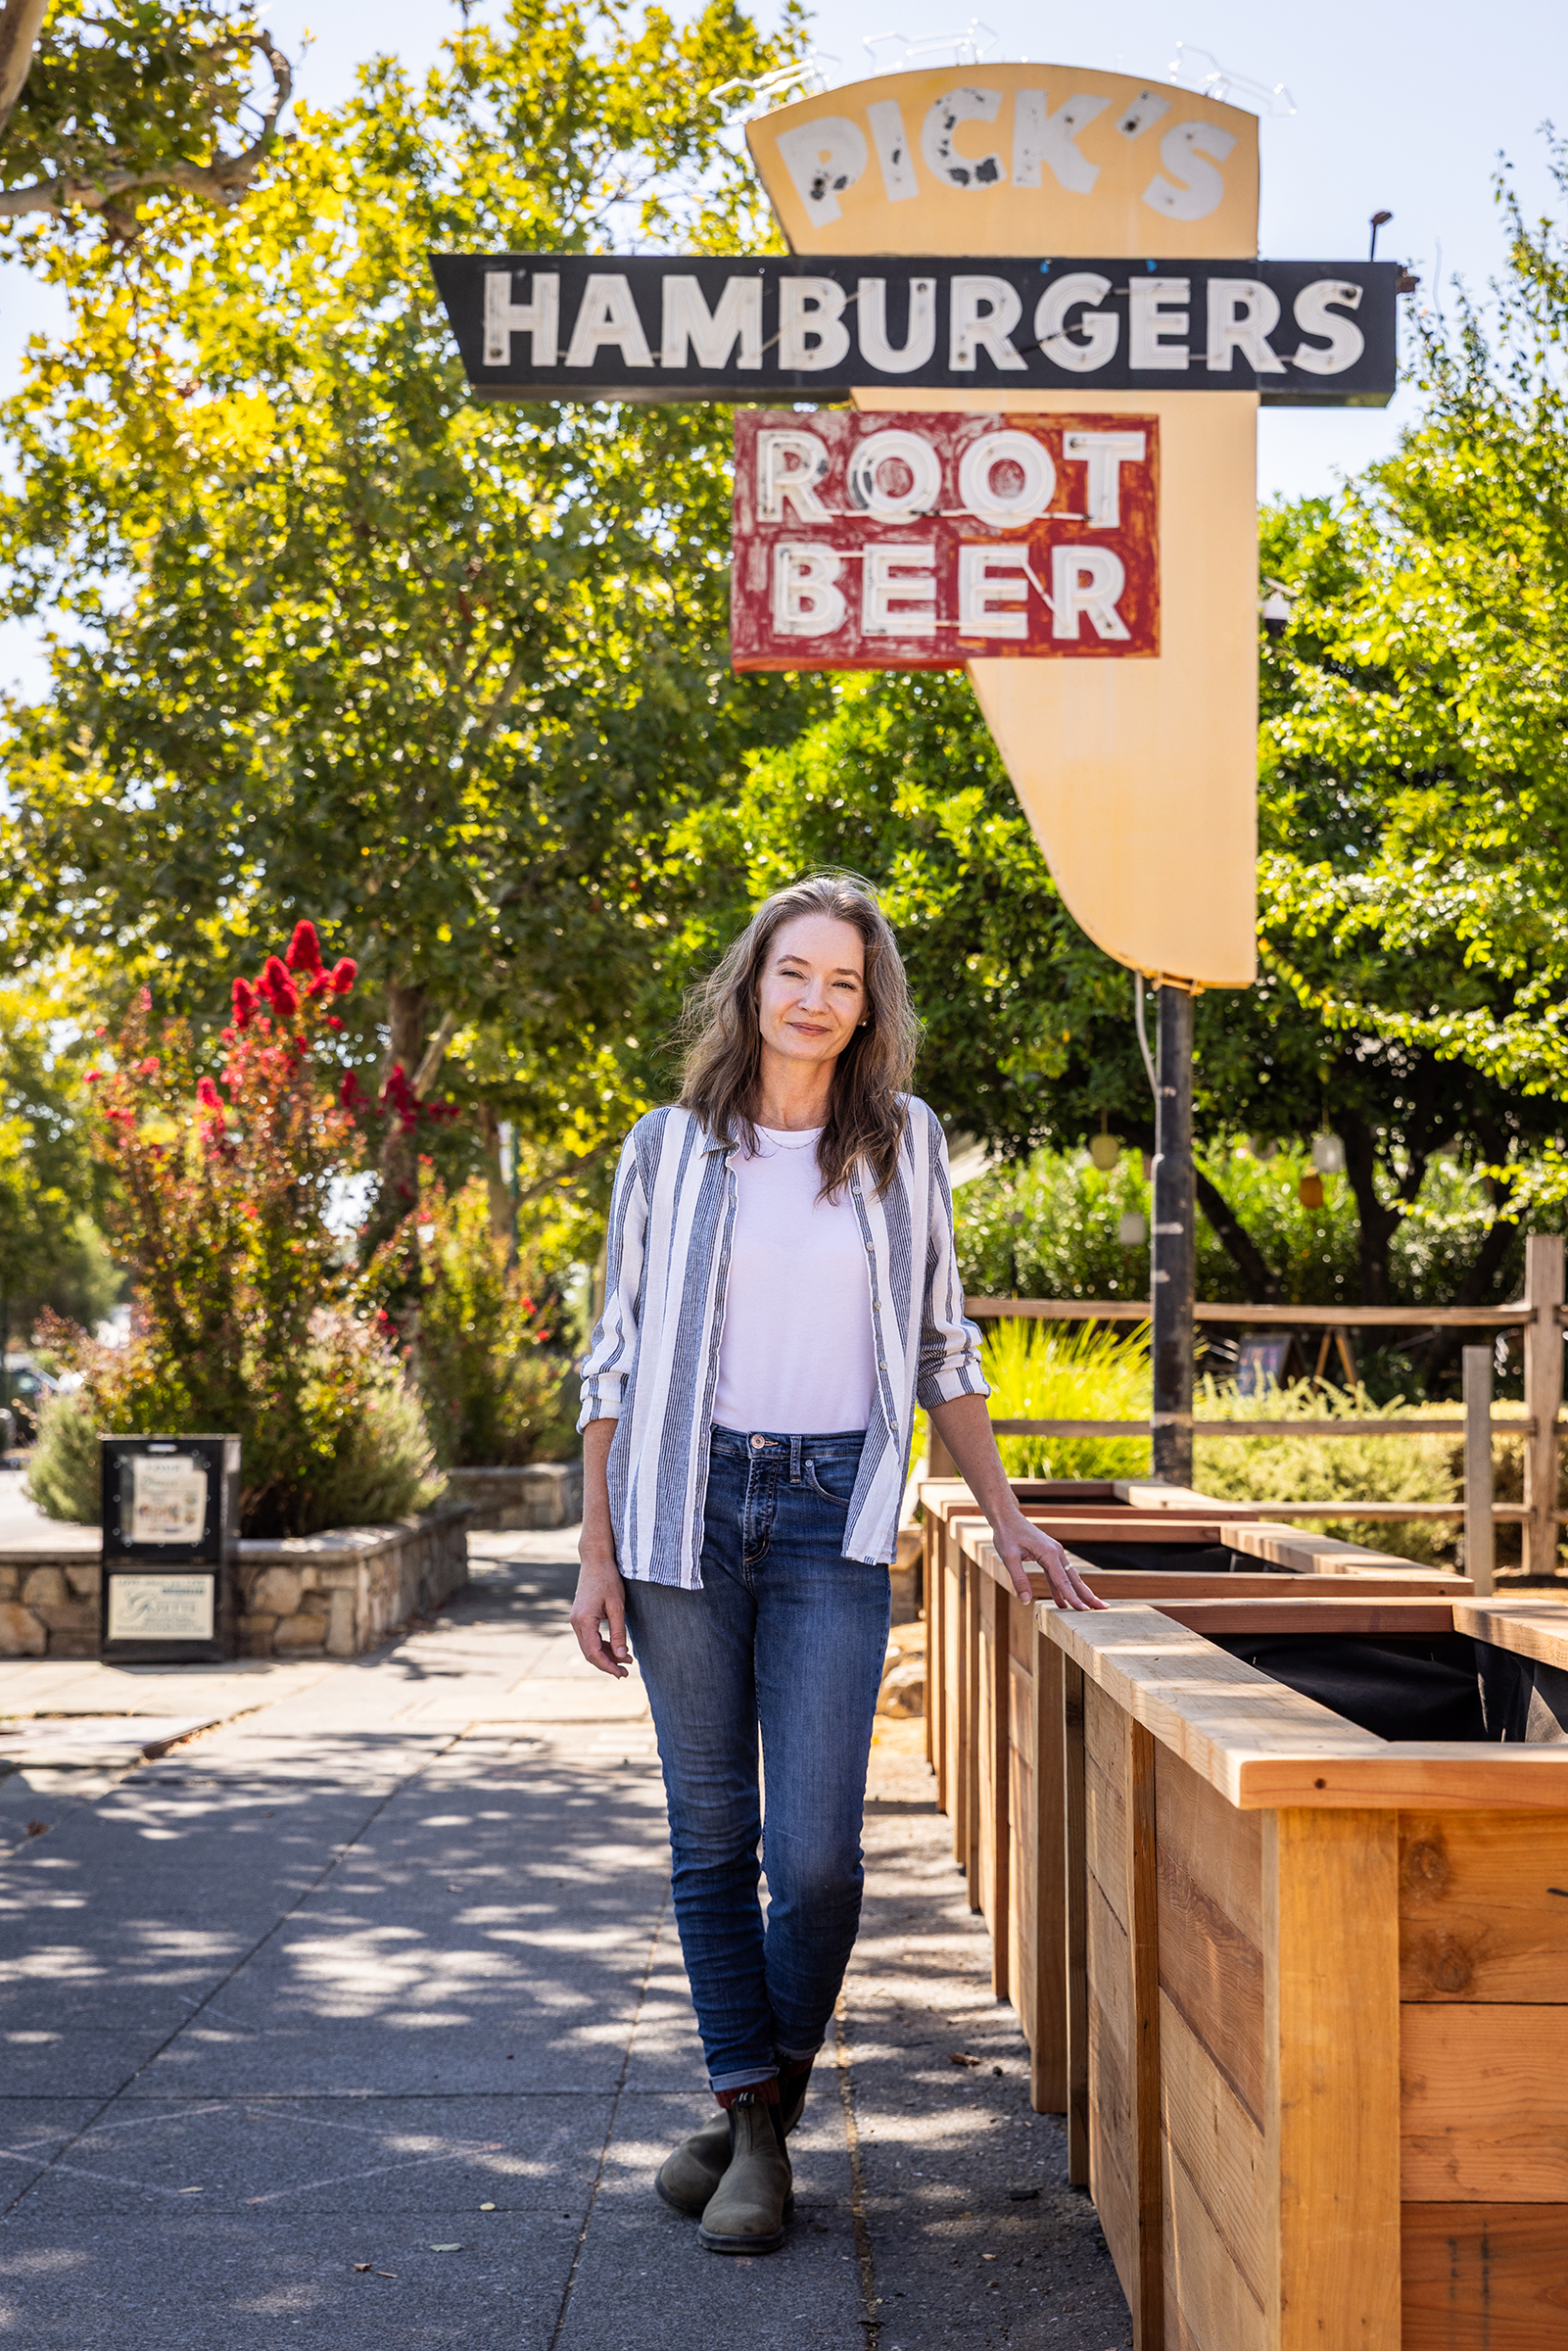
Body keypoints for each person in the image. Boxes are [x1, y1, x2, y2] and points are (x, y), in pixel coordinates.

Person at [569, 873, 1103, 2257]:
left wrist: (1009, 1514)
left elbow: (943, 1350)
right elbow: (613, 1357)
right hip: (681, 1510)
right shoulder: (665, 1148)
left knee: (814, 1861)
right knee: (711, 1838)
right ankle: (752, 2122)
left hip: (828, 1519)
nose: (814, 999)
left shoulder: (901, 1143)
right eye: (792, 972)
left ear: (869, 1009)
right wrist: (596, 1551)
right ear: (752, 985)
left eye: (843, 982)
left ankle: (758, 2110)